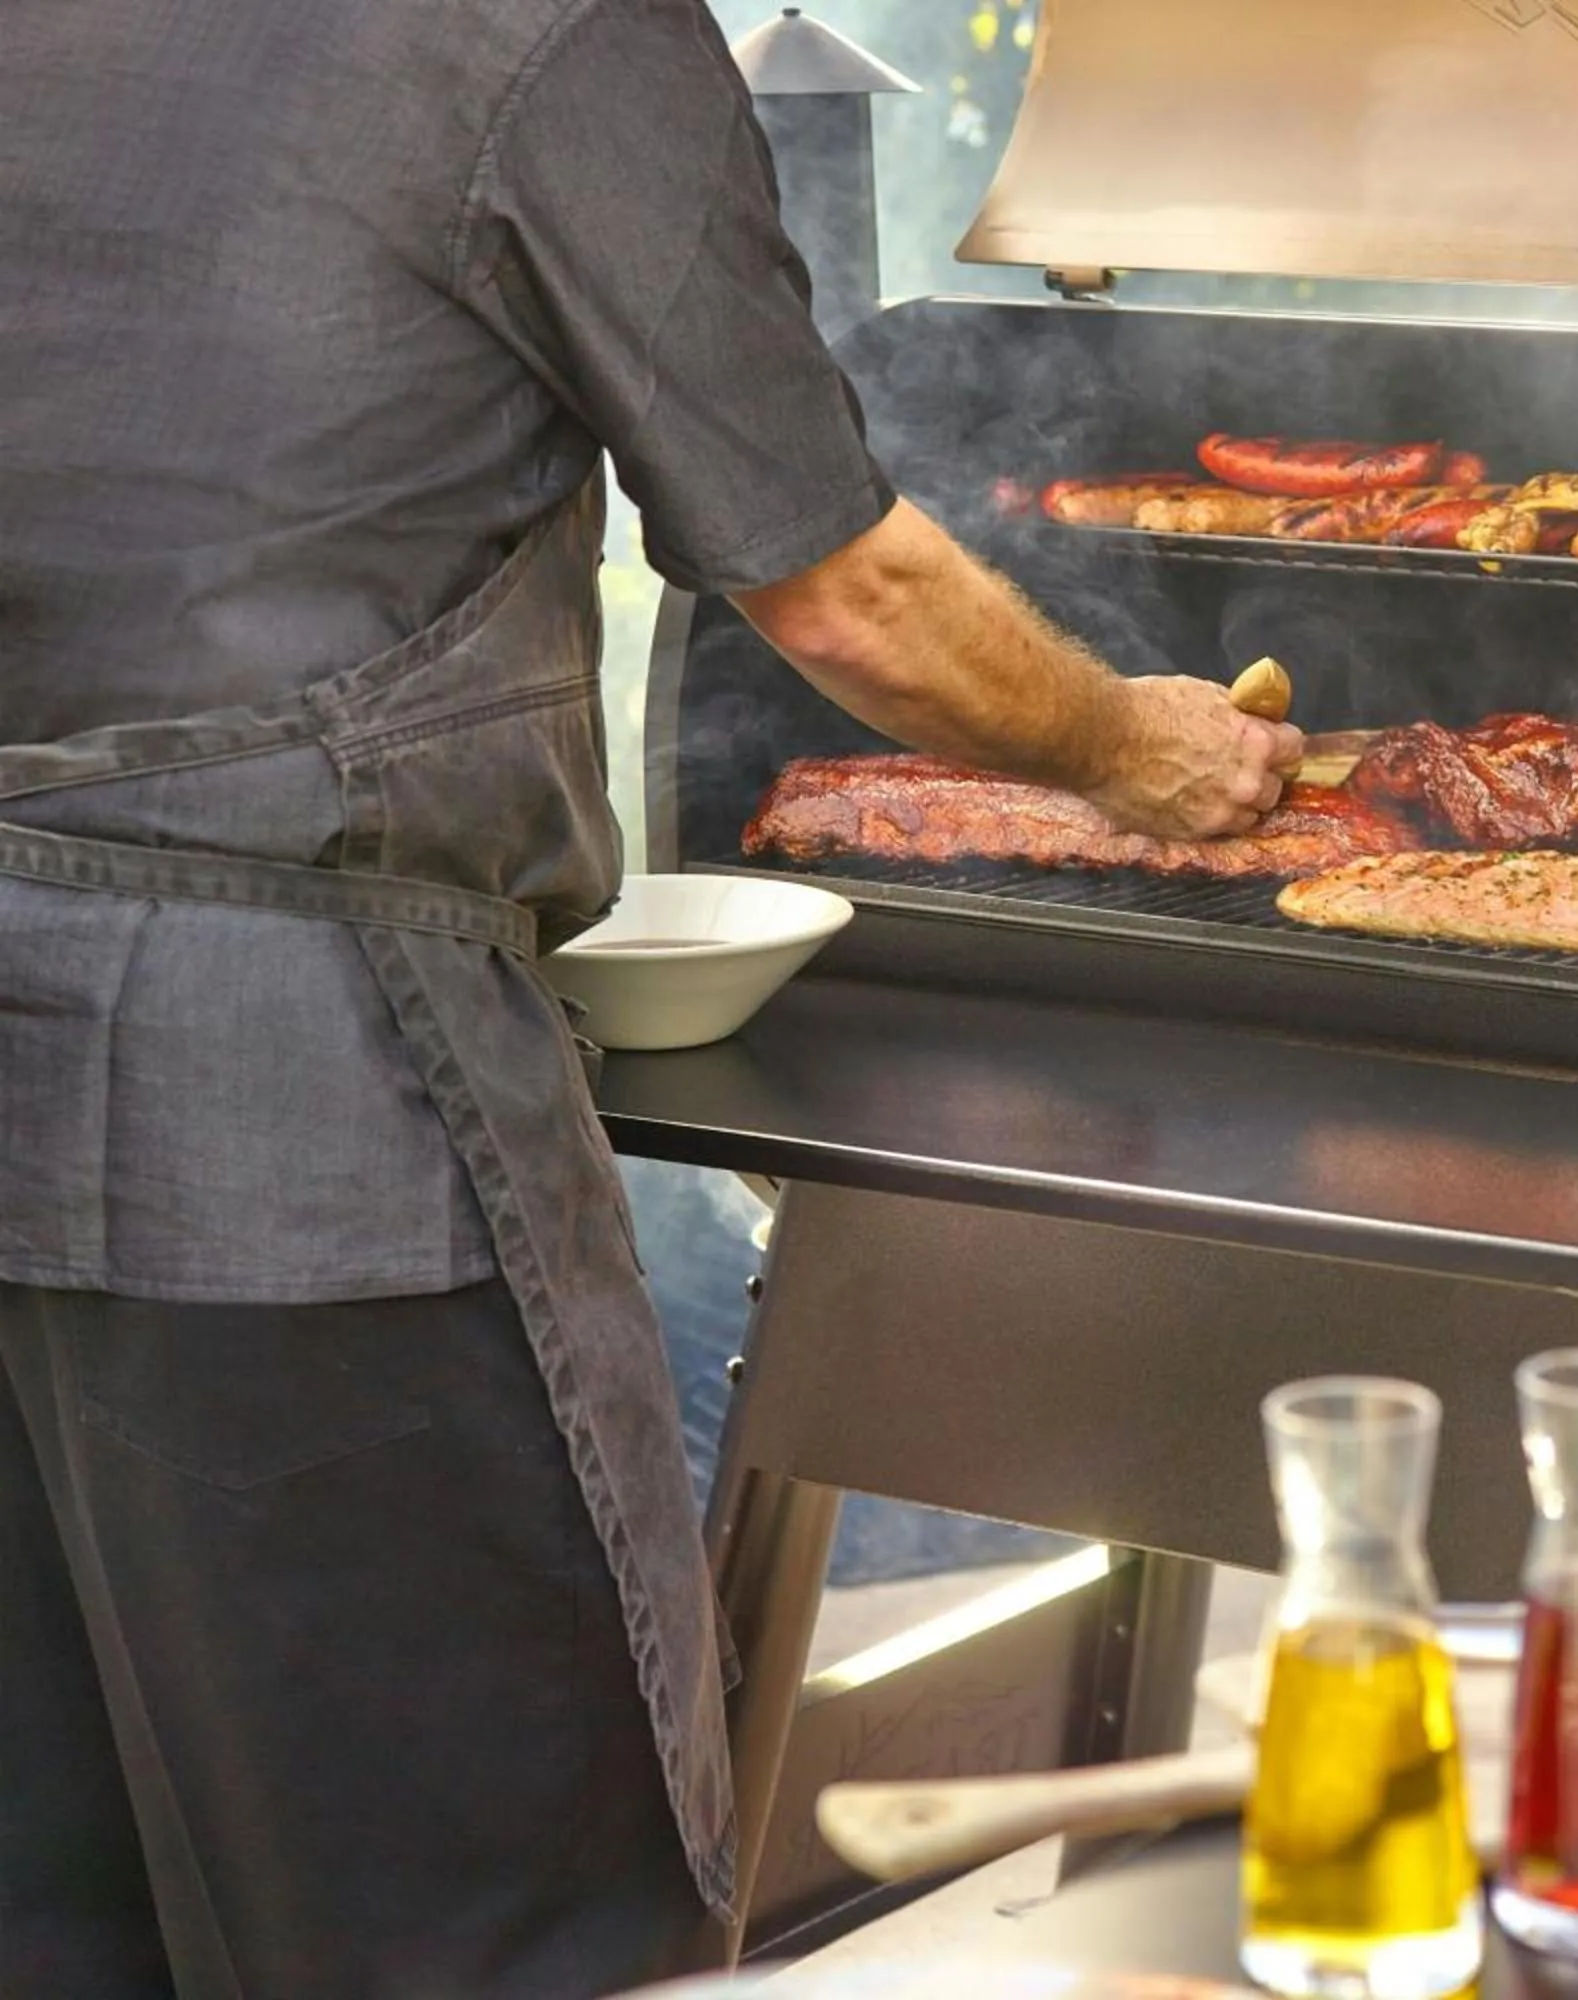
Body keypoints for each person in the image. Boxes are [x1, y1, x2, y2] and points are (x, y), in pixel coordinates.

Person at [0, 0, 1302, 1993]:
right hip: (299, 1133)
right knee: (497, 1912)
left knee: (77, 1901)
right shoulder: (555, 32)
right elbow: (845, 588)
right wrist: (1150, 750)